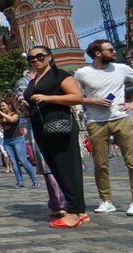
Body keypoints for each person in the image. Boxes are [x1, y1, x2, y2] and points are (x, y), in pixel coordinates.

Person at [74, 39, 133, 216]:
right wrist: (94, 101)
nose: (114, 52)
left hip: (121, 119)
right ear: (97, 53)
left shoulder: (122, 68)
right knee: (100, 164)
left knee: (132, 162)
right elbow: (75, 97)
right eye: (110, 50)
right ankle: (106, 201)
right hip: (95, 122)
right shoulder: (82, 73)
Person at [21, 45, 87, 228]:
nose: (35, 60)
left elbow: (77, 97)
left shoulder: (59, 75)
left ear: (49, 57)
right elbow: (33, 108)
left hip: (59, 125)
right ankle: (80, 211)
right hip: (42, 128)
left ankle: (73, 213)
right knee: (58, 169)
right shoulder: (33, 80)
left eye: (39, 56)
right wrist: (23, 107)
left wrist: (48, 98)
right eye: (31, 58)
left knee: (67, 169)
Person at [0, 100, 39, 188]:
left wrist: (0, 112)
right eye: (1, 106)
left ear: (9, 106)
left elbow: (11, 119)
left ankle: (34, 180)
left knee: (23, 160)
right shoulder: (1, 116)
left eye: (3, 106)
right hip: (7, 141)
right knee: (14, 162)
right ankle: (20, 182)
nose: (2, 107)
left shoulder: (15, 114)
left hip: (17, 139)